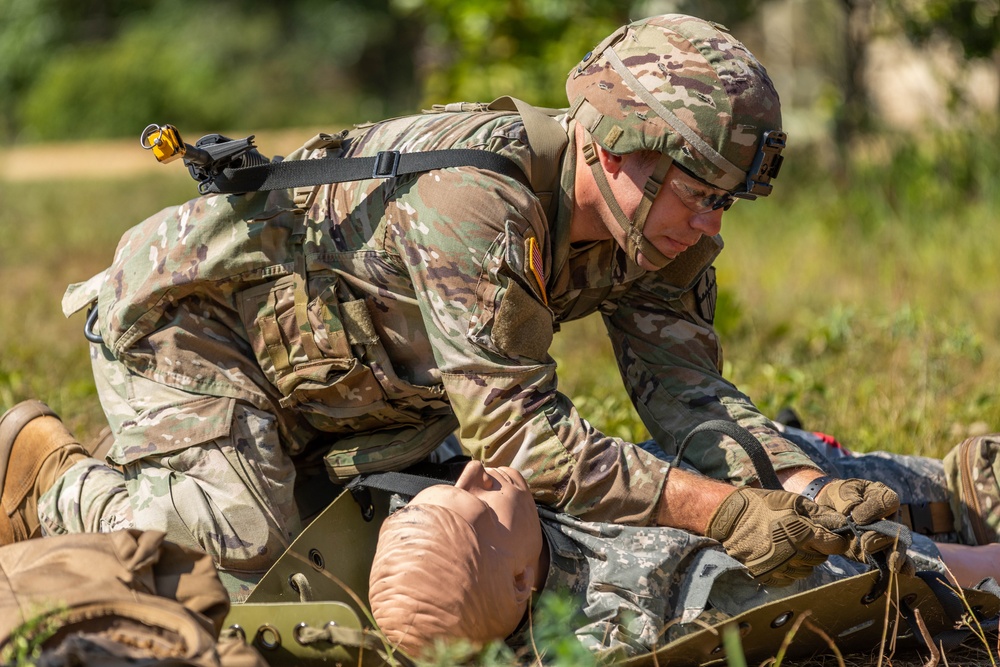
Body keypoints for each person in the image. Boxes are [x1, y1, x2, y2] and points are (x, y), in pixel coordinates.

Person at [0, 14, 898, 599]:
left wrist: (804, 488)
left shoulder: (658, 231)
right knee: (239, 546)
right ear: (625, 149)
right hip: (190, 324)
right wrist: (719, 510)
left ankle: (193, 464)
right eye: (700, 192)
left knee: (397, 533)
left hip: (348, 383)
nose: (711, 224)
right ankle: (47, 477)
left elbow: (690, 394)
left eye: (726, 202)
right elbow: (521, 438)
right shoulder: (478, 197)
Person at [367, 457, 1000, 662]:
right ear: (520, 579)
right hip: (867, 551)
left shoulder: (531, 521)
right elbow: (848, 573)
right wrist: (966, 568)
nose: (472, 470)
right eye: (474, 503)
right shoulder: (657, 602)